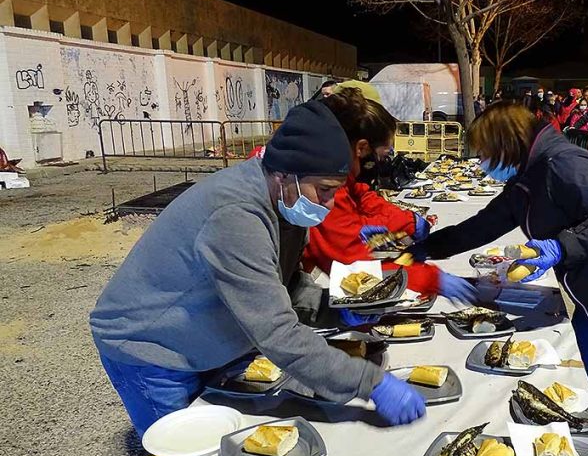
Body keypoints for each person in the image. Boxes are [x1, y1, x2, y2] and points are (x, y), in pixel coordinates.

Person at [91, 100, 428, 438]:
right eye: (324, 191)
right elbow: (277, 332)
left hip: (207, 336)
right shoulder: (236, 215)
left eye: (334, 192)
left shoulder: (287, 201)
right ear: (283, 174)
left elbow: (286, 285)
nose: (328, 204)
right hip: (151, 347)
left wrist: (333, 310)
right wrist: (371, 383)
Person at [409, 102, 588, 448]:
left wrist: (561, 246)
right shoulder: (526, 179)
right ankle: (576, 449)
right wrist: (426, 248)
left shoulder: (565, 164)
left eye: (486, 152)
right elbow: (484, 225)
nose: (482, 162)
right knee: (577, 379)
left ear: (508, 144)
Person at [303, 87, 477, 304]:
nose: (383, 162)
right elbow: (354, 264)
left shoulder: (333, 169)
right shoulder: (322, 185)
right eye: (382, 154)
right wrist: (431, 278)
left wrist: (406, 221)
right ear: (362, 148)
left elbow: (362, 197)